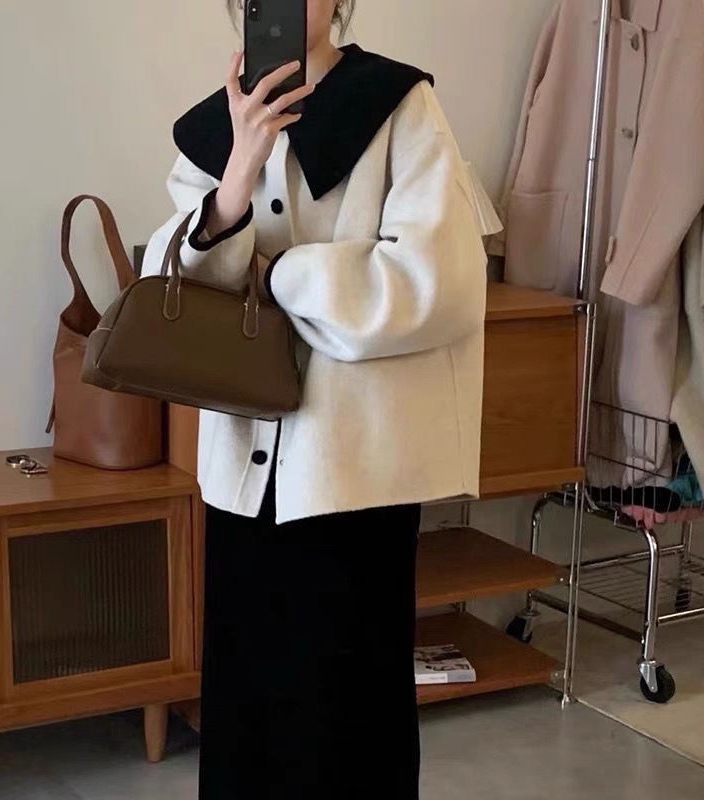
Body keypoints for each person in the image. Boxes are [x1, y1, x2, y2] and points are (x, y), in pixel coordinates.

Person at [142, 1, 488, 797]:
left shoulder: (399, 105)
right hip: (243, 475)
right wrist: (235, 181)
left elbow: (437, 283)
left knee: (347, 717)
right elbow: (168, 283)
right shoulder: (217, 125)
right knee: (247, 715)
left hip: (354, 472)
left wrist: (284, 277)